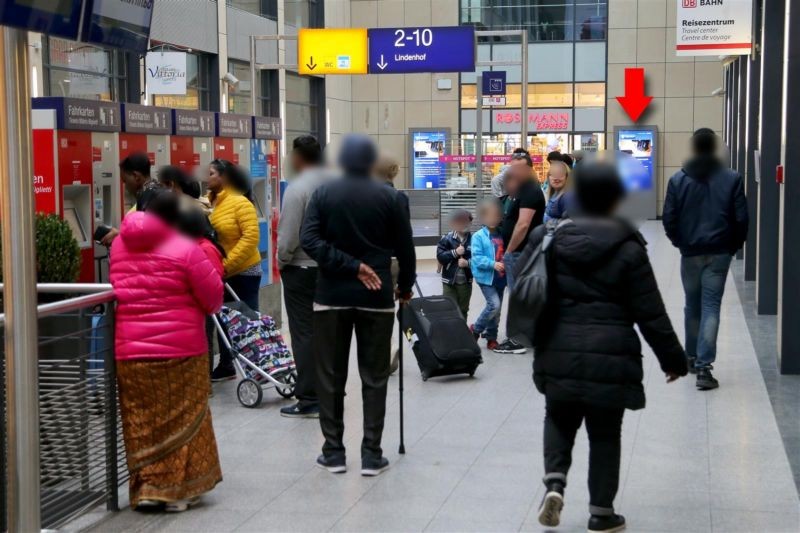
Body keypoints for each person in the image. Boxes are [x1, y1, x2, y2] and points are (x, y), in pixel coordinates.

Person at [531, 162, 687, 533]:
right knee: (605, 433)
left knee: (558, 417)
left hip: (560, 348)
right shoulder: (629, 246)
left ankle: (555, 483)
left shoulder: (552, 240)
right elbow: (651, 312)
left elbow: (537, 299)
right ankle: (602, 512)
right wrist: (673, 359)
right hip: (612, 354)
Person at [301, 134, 416, 477]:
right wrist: (405, 286)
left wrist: (347, 266)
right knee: (374, 376)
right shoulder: (390, 197)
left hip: (331, 296)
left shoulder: (323, 193)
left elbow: (309, 240)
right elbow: (406, 249)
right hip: (376, 297)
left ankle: (333, 452)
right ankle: (371, 454)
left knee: (330, 375)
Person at [109, 190, 223, 513]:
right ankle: (178, 493)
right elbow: (213, 298)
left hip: (130, 353)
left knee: (142, 422)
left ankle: (147, 489)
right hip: (182, 352)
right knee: (187, 421)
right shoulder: (186, 249)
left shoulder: (119, 245)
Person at [662, 128, 748, 390]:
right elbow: (742, 219)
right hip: (719, 253)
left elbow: (669, 218)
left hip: (690, 253)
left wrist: (680, 243)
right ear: (714, 148)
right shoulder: (732, 178)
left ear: (694, 148)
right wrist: (732, 247)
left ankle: (691, 357)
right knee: (711, 306)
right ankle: (704, 369)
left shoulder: (678, 180)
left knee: (692, 305)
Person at [277, 135, 329, 419]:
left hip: (303, 268)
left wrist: (282, 262)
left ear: (298, 157)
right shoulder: (334, 183)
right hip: (332, 268)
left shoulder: (298, 189)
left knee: (304, 334)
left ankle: (309, 397)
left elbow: (288, 236)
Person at [207, 159, 262, 382]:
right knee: (224, 320)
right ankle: (227, 364)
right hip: (224, 273)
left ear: (224, 177)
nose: (206, 177)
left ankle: (259, 365)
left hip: (244, 271)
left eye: (211, 173)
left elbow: (251, 238)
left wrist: (226, 264)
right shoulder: (213, 203)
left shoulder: (240, 203)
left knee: (247, 320)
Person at [495, 153, 545, 355]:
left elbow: (523, 224)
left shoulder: (531, 191)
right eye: (511, 168)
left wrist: (508, 251)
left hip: (521, 252)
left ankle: (518, 339)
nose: (513, 172)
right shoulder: (522, 189)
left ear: (529, 169)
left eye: (518, 169)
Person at [100, 153, 160, 246]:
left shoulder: (146, 198)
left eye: (125, 181)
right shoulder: (158, 189)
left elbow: (148, 239)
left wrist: (120, 236)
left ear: (136, 176)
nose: (126, 187)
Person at [469, 199, 506, 350]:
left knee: (497, 311)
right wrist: (493, 264)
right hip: (486, 279)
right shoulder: (478, 236)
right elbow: (476, 258)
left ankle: (492, 337)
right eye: (489, 216)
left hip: (501, 279)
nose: (492, 219)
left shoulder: (502, 234)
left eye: (495, 216)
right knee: (494, 305)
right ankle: (476, 329)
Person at [436, 210, 473, 319]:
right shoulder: (446, 238)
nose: (463, 224)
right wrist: (455, 252)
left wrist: (467, 263)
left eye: (466, 221)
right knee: (448, 308)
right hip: (449, 282)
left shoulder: (474, 240)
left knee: (463, 309)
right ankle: (450, 333)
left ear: (470, 223)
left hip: (466, 282)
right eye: (459, 221)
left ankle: (462, 333)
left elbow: (478, 259)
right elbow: (440, 257)